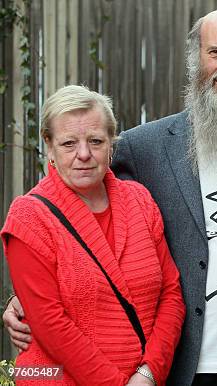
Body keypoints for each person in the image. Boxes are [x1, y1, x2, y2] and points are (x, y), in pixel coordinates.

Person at [3, 8, 217, 386]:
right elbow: (79, 211)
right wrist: (24, 297)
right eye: (215, 52)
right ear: (195, 59)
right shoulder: (145, 147)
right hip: (193, 365)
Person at [1, 85, 185, 385]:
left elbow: (171, 294)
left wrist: (150, 372)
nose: (83, 154)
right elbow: (50, 324)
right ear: (49, 145)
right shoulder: (29, 217)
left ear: (112, 143)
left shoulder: (139, 200)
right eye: (69, 143)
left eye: (96, 141)